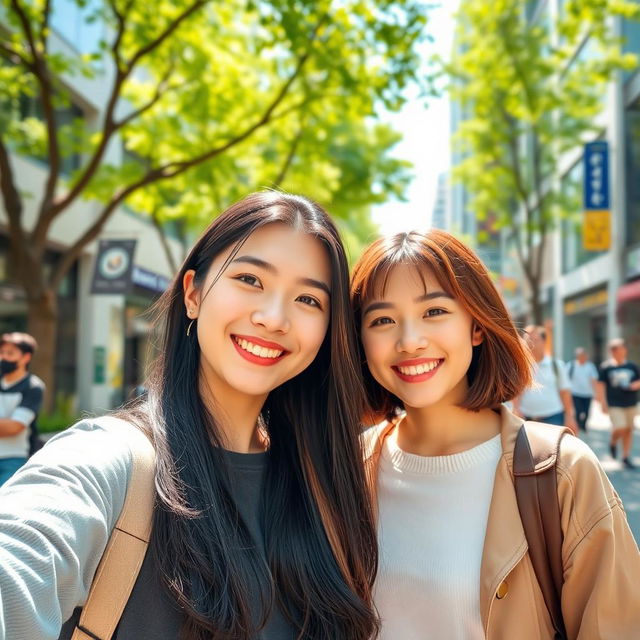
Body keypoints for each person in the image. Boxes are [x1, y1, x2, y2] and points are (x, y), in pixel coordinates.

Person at [0, 192, 379, 640]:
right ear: (194, 293)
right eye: (250, 279)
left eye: (309, 300)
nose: (274, 318)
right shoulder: (110, 461)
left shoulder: (329, 486)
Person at [351, 230, 640, 640]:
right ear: (359, 342)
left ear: (477, 327)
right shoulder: (347, 469)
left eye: (434, 311)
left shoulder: (561, 471)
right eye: (382, 320)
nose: (409, 341)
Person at [512, 325, 578, 434]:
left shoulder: (556, 365)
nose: (530, 343)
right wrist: (516, 409)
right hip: (526, 419)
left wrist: (570, 417)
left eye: (535, 339)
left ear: (544, 342)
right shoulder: (519, 366)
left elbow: (565, 392)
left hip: (554, 418)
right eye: (527, 340)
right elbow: (516, 392)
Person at [0, 332, 45, 485]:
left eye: (10, 353)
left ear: (26, 357)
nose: (4, 357)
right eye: (2, 352)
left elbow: (15, 427)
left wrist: (9, 425)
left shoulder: (33, 387)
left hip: (14, 458)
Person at [597, 338, 640, 469]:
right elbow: (601, 385)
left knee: (628, 430)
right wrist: (602, 402)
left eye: (622, 349)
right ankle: (613, 441)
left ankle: (625, 457)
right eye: (616, 350)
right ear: (612, 352)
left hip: (631, 403)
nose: (620, 352)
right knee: (620, 427)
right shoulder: (606, 367)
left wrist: (635, 385)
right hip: (614, 403)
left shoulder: (632, 366)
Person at [567, 347, 599, 432]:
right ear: (577, 356)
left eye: (583, 355)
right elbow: (566, 379)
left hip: (588, 393)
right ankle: (577, 425)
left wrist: (596, 393)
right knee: (578, 411)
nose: (582, 357)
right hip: (575, 393)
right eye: (580, 355)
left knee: (586, 412)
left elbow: (594, 380)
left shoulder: (590, 366)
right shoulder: (571, 365)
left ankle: (583, 424)